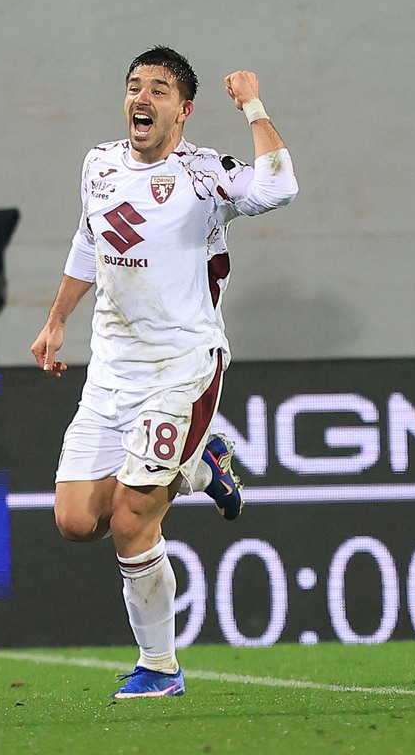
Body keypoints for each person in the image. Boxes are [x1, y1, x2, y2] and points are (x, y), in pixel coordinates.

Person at [30, 46, 298, 699]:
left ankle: (160, 667)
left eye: (157, 89)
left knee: (130, 522)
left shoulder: (204, 174)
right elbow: (91, 237)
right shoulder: (98, 165)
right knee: (73, 521)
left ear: (183, 109)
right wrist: (57, 317)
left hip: (181, 371)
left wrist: (253, 105)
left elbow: (279, 185)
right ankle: (204, 463)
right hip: (111, 375)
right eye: (133, 87)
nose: (141, 98)